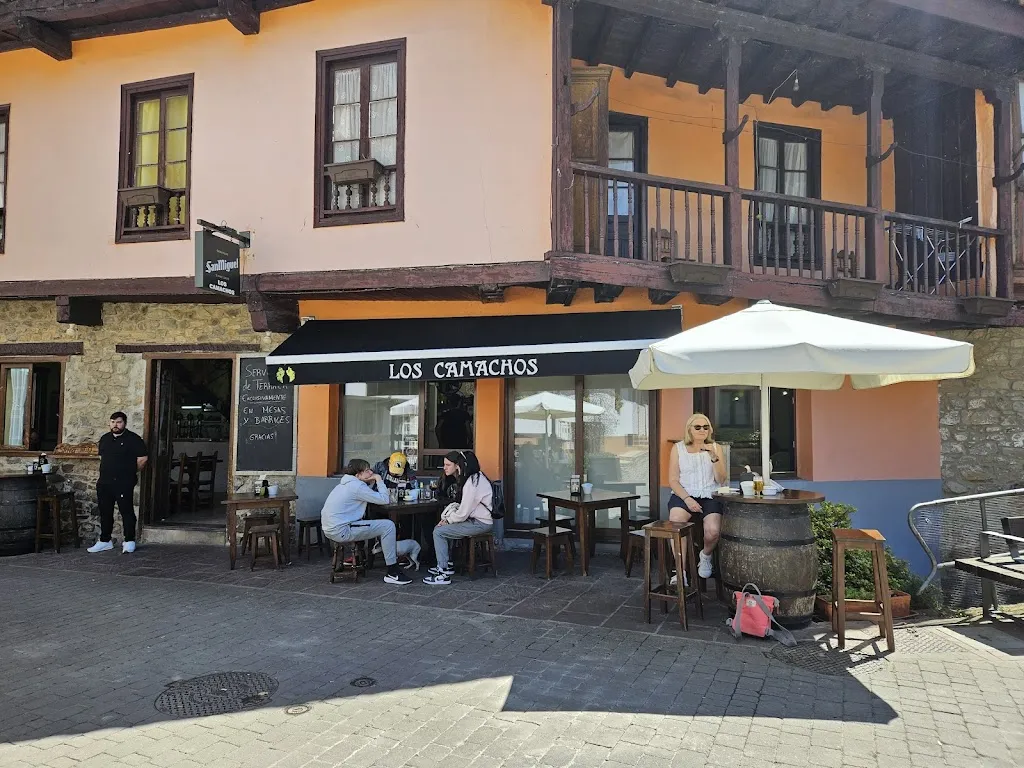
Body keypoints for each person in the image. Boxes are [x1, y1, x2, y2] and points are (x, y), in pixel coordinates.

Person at [321, 459, 412, 585]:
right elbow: (385, 499)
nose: (371, 472)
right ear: (358, 475)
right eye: (367, 470)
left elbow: (366, 494)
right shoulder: (357, 487)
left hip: (331, 528)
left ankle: (368, 558)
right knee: (389, 526)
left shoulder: (346, 483)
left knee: (375, 523)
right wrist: (379, 479)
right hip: (343, 529)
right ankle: (392, 571)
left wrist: (370, 480)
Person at [667, 412, 728, 583]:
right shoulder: (678, 448)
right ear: (690, 430)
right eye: (698, 427)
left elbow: (721, 479)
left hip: (710, 494)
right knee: (676, 521)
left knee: (713, 531)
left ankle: (706, 555)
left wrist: (713, 457)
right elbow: (672, 480)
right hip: (684, 494)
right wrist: (687, 499)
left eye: (706, 427)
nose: (702, 430)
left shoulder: (715, 448)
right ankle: (680, 572)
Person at [422, 450, 493, 586]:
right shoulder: (477, 478)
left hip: (480, 523)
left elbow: (462, 513)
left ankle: (442, 573)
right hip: (478, 520)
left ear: (462, 465)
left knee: (439, 531)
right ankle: (446, 565)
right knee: (443, 528)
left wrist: (448, 520)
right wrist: (449, 520)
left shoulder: (472, 483)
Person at [88, 411, 148, 554]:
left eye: (119, 422)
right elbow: (103, 458)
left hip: (124, 482)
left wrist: (128, 472)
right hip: (105, 482)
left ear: (125, 423)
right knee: (105, 512)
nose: (115, 425)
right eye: (113, 422)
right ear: (109, 423)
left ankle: (129, 541)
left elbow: (143, 459)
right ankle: (105, 541)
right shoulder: (105, 439)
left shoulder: (134, 439)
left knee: (126, 511)